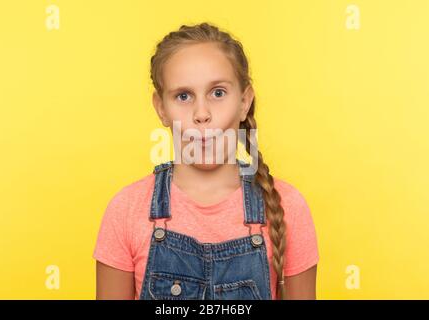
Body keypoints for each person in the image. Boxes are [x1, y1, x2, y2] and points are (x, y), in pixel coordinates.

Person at [93, 22, 319, 300]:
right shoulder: (126, 211)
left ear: (244, 101)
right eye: (184, 96)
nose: (202, 113)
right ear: (161, 108)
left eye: (218, 93)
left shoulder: (288, 207)